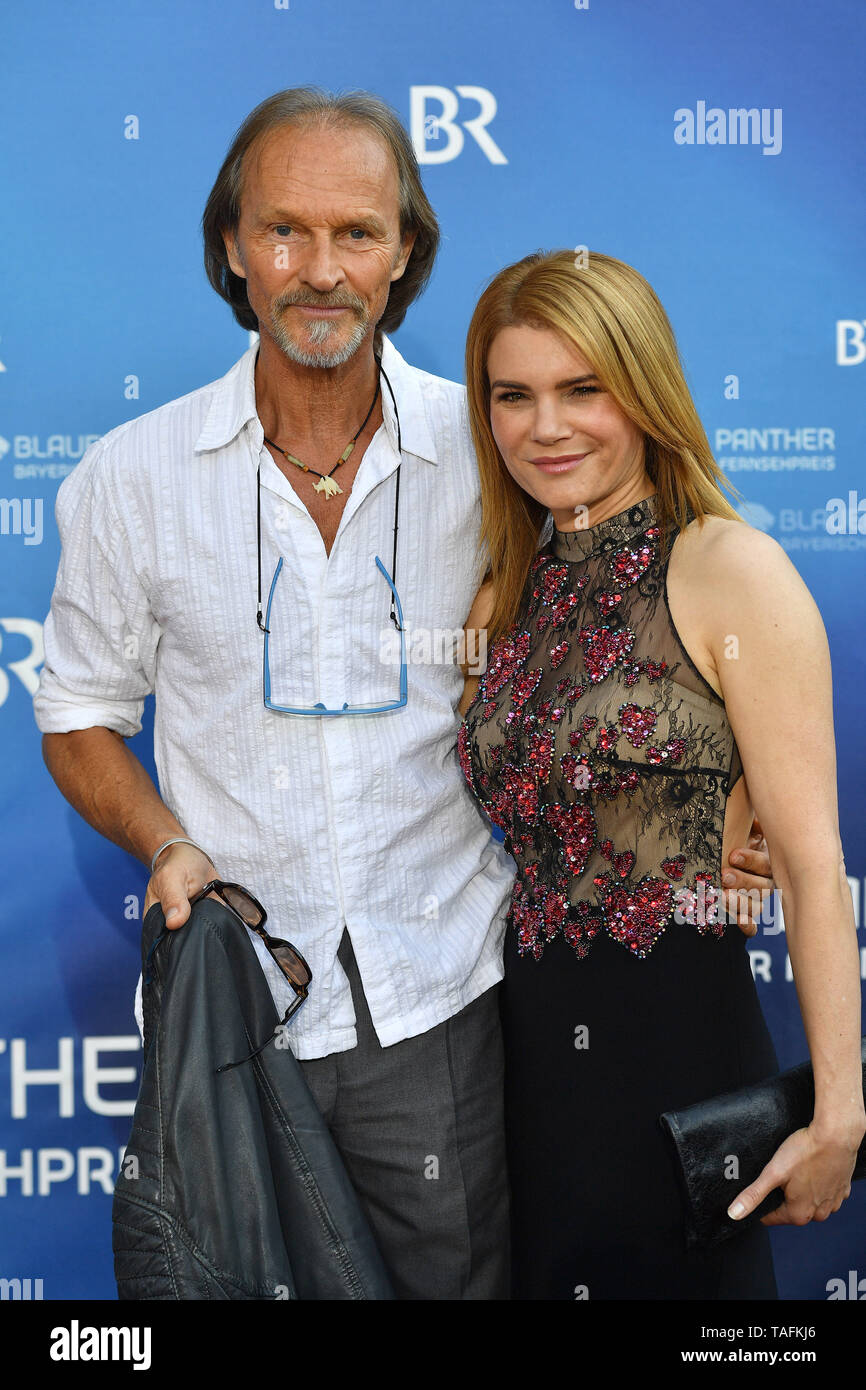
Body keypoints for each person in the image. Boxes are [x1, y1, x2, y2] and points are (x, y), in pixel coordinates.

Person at [32, 88, 772, 1301]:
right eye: (283, 231)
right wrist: (164, 842)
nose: (318, 270)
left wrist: (729, 805)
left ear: (405, 253)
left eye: (356, 234)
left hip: (442, 1004)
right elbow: (76, 711)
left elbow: (658, 609)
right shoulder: (133, 478)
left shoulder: (494, 450)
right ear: (231, 246)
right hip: (237, 1018)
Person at [457, 248, 865, 1300]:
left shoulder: (726, 567)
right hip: (525, 1055)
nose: (544, 426)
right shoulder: (504, 593)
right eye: (514, 395)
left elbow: (813, 868)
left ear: (641, 391)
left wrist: (838, 1111)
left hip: (678, 1043)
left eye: (580, 388)